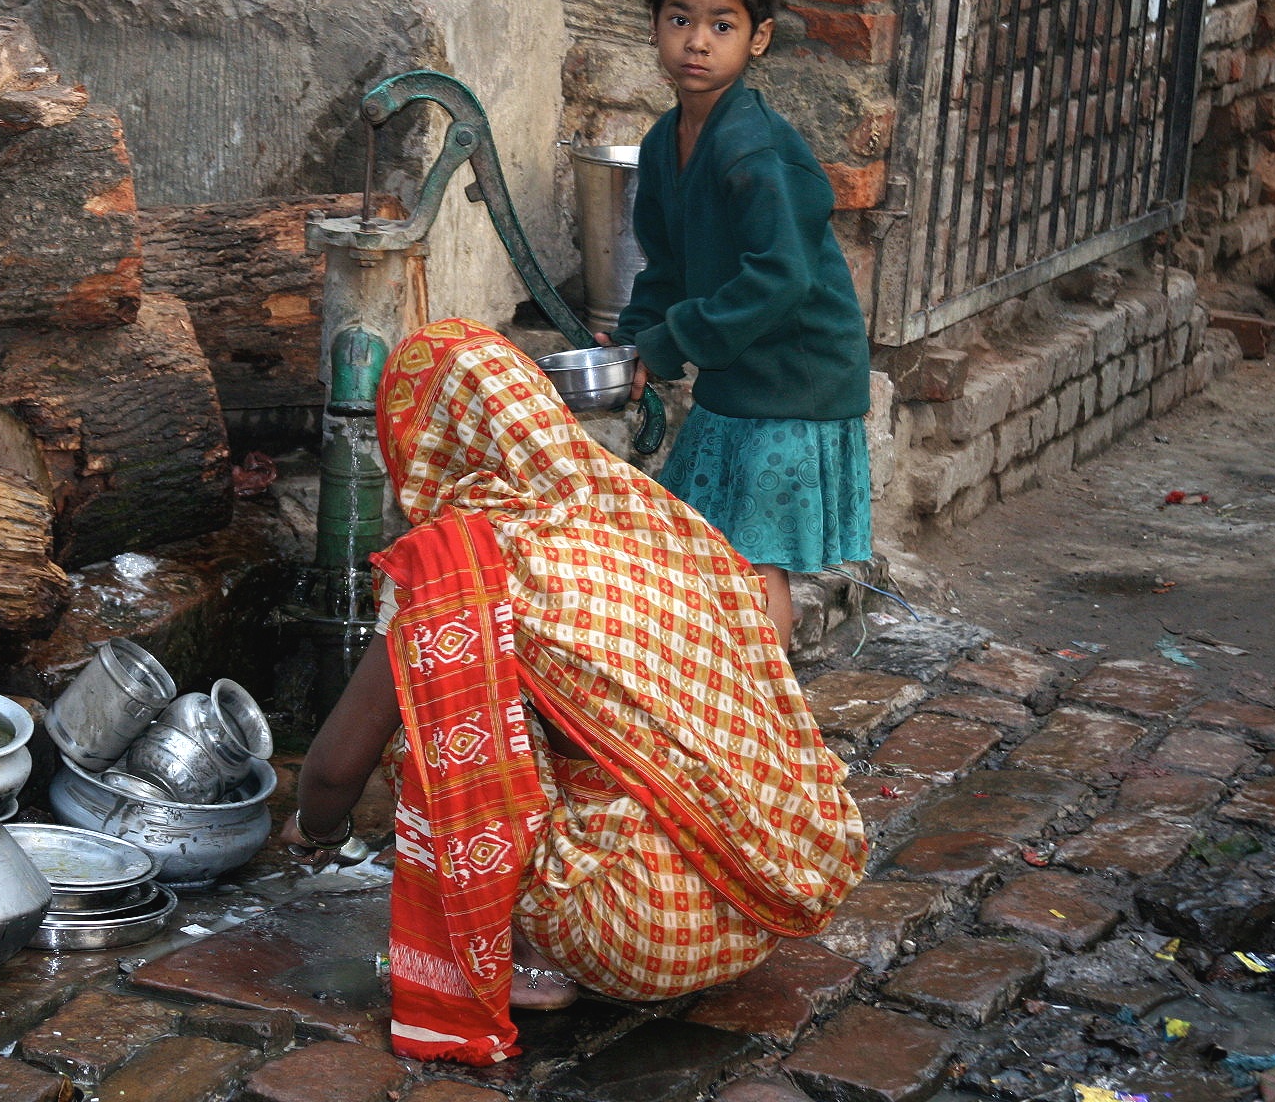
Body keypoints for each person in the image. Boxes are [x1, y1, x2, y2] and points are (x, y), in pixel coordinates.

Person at [281, 319, 866, 1066]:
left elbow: (336, 767)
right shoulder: (645, 511)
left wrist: (315, 829)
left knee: (425, 716)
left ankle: (528, 956)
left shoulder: (465, 562)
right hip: (768, 893)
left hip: (636, 931)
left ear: (422, 445)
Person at [601, 0, 875, 650]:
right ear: (656, 27)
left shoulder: (754, 151)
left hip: (795, 376)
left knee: (752, 564)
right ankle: (728, 705)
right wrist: (634, 343)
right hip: (738, 376)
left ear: (758, 39)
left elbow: (780, 279)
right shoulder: (666, 143)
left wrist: (670, 343)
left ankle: (769, 718)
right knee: (709, 548)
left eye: (721, 25)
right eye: (680, 19)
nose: (697, 41)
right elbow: (666, 265)